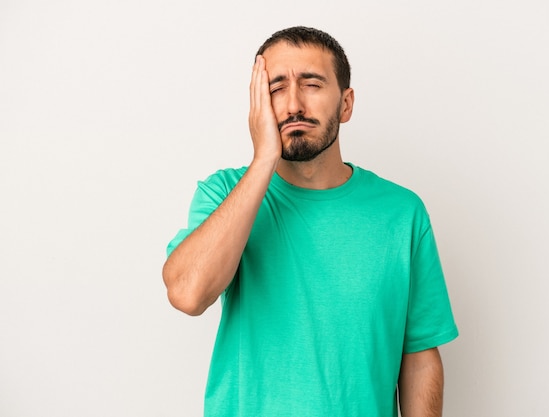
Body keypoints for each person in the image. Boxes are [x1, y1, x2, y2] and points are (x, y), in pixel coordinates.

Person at [162, 26, 458, 417]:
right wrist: (264, 158)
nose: (293, 105)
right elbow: (187, 294)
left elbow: (419, 354)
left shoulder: (402, 212)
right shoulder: (224, 193)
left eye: (312, 84)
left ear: (346, 104)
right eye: (276, 88)